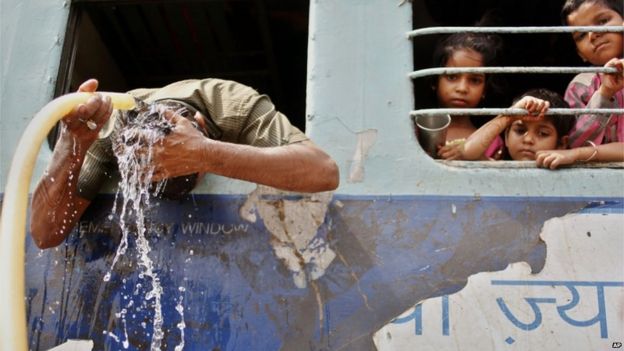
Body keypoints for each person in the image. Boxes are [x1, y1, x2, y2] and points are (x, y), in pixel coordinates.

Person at [30, 78, 340, 249]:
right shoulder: (114, 131)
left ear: (202, 123)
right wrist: (71, 141)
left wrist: (204, 153)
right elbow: (46, 234)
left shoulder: (233, 103)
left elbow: (324, 171)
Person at [430, 24, 505, 160]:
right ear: (435, 81)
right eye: (452, 77)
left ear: (484, 90)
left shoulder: (492, 141)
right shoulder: (414, 133)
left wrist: (476, 156)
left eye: (475, 80)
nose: (462, 88)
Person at [559, 0, 624, 149]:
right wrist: (604, 94)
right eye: (581, 35)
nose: (592, 34)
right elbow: (573, 143)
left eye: (602, 21)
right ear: (580, 53)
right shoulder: (580, 86)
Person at [460, 89, 574, 164]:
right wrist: (508, 116)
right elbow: (467, 151)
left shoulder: (570, 173)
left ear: (561, 144)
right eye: (520, 130)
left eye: (542, 133)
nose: (528, 140)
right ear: (506, 137)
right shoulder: (497, 169)